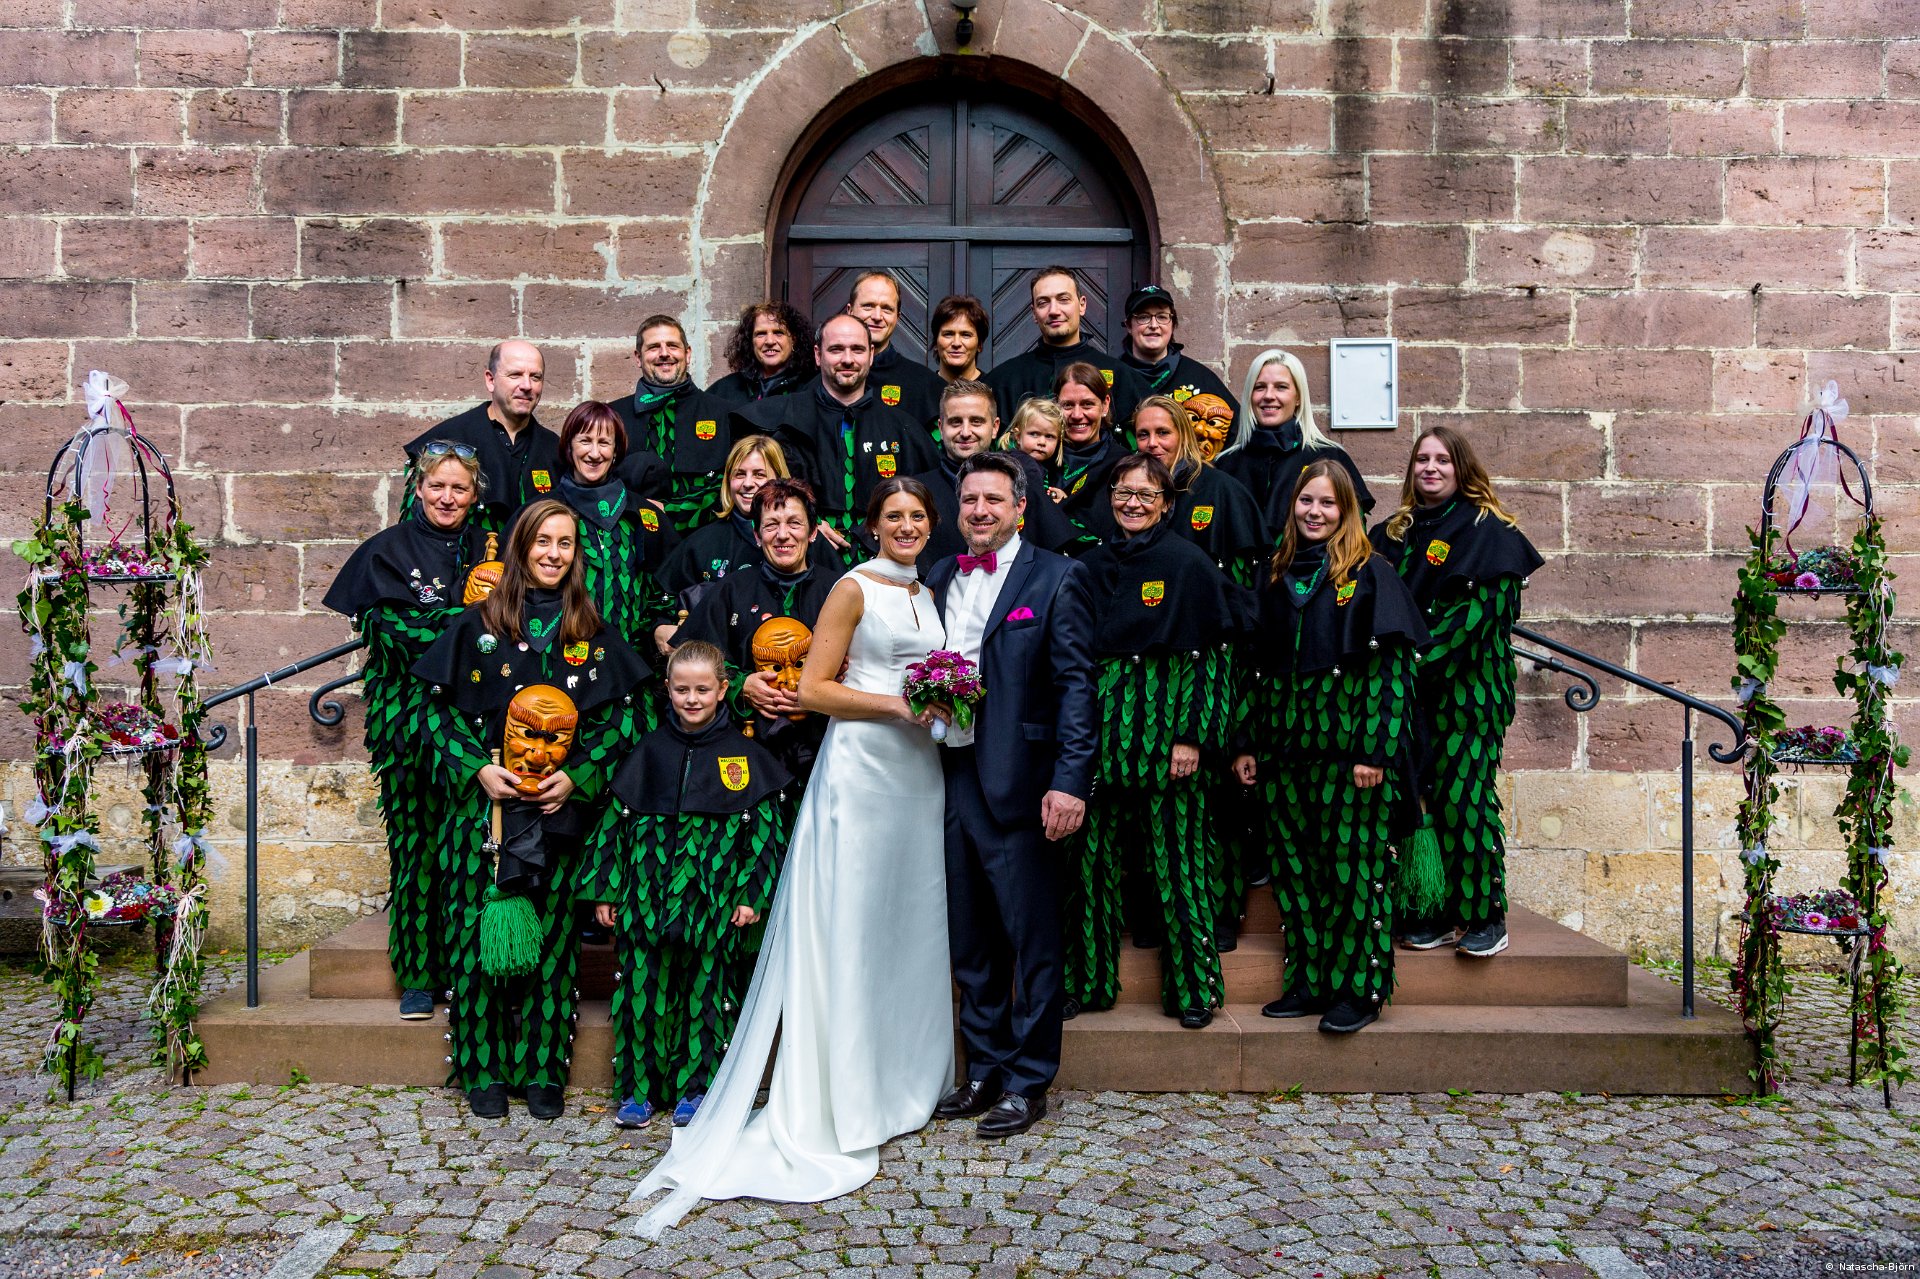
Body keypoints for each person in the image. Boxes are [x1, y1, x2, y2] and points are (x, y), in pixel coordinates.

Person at [631, 478, 953, 1234]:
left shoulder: (927, 590)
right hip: (864, 767)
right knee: (853, 925)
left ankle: (903, 1080)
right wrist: (900, 704)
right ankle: (845, 1095)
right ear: (870, 525)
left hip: (918, 773)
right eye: (893, 516)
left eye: (917, 516)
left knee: (907, 924)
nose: (906, 526)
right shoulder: (851, 586)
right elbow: (813, 689)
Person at [411, 500, 650, 1118]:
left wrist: (578, 777)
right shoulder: (477, 626)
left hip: (556, 814)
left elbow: (624, 721)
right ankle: (482, 1068)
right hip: (485, 814)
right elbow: (431, 713)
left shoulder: (592, 634)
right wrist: (476, 769)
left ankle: (544, 1069)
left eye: (565, 543)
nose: (553, 553)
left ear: (577, 554)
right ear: (521, 546)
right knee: (477, 942)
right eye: (543, 540)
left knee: (554, 944)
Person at [923, 453, 1096, 1138]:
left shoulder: (1057, 576)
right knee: (971, 938)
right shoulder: (939, 574)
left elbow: (1076, 687)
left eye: (994, 499)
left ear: (1021, 507)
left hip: (1023, 782)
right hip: (948, 773)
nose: (980, 511)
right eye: (970, 500)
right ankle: (985, 1068)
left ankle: (1029, 1080)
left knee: (1031, 940)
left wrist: (1069, 781)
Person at [1234, 463, 1427, 1035]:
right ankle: (1309, 981)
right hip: (1283, 755)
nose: (1314, 512)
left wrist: (1375, 752)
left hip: (1350, 757)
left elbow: (1393, 674)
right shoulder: (1273, 574)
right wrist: (1245, 743)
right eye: (1306, 501)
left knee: (1353, 872)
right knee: (1295, 872)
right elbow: (1251, 668)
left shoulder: (1372, 574)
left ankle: (1359, 990)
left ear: (1347, 511)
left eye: (1327, 503)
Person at [1064, 453, 1248, 1028]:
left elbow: (1214, 662)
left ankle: (1194, 991)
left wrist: (1192, 737)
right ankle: (1087, 982)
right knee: (1089, 866)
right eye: (1124, 492)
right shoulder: (1089, 566)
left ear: (1167, 504)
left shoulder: (1189, 563)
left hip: (1169, 741)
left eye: (1146, 494)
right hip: (1102, 737)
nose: (1133, 503)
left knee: (1180, 867)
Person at [580, 641, 792, 1130]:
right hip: (646, 898)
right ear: (668, 689)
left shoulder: (746, 757)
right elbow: (614, 825)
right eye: (681, 690)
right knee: (641, 991)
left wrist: (751, 896)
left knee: (707, 994)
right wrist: (607, 890)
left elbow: (764, 836)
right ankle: (638, 1089)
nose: (691, 699)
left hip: (712, 902)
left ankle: (697, 1089)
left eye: (702, 689)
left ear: (722, 689)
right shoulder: (648, 751)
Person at [322, 443, 490, 1021]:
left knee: (468, 850)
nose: (447, 497)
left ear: (474, 495)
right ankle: (418, 973)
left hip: (472, 720)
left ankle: (466, 967)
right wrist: (469, 620)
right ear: (418, 489)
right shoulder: (386, 552)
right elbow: (398, 634)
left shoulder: (492, 549)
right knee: (415, 848)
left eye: (459, 488)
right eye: (437, 486)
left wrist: (468, 625)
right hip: (407, 720)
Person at [1371, 426, 1543, 958]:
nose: (1430, 468)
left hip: (1466, 693)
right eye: (1422, 459)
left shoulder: (1492, 532)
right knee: (1415, 799)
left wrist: (1410, 664)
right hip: (1405, 693)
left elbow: (1475, 622)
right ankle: (1435, 909)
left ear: (1461, 467)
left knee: (1462, 797)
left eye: (1442, 460)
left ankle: (1484, 914)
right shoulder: (1392, 533)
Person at [674, 477, 838, 787]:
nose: (783, 534)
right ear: (757, 535)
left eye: (794, 523)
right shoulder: (730, 591)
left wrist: (820, 693)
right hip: (746, 751)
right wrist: (740, 685)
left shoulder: (840, 591)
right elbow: (689, 661)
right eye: (771, 525)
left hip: (828, 748)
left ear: (813, 532)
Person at [731, 313, 938, 547]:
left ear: (871, 355)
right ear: (818, 355)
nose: (847, 359)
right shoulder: (780, 419)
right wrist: (804, 523)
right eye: (836, 349)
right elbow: (748, 492)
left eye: (857, 350)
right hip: (804, 554)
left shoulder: (903, 427)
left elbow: (929, 503)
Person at [1084, 396, 1269, 587]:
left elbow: (1250, 577)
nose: (1152, 443)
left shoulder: (1222, 490)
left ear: (1183, 435)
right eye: (1143, 435)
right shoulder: (1127, 494)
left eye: (1163, 433)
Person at [553, 400, 680, 664]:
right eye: (585, 441)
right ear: (569, 446)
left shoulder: (644, 514)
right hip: (562, 658)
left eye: (604, 443)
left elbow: (673, 580)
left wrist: (659, 624)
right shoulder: (543, 512)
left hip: (635, 661)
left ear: (616, 451)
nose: (594, 453)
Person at [908, 380, 1083, 564]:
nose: (965, 432)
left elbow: (1056, 558)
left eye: (976, 422)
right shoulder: (916, 493)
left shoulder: (1023, 480)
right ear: (941, 428)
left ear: (995, 427)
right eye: (955, 422)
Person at [404, 340, 559, 534]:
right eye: (515, 375)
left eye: (535, 377)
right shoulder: (447, 440)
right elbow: (414, 535)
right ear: (490, 380)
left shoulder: (555, 449)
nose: (527, 385)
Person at [1215, 348, 1373, 531]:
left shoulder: (1330, 456)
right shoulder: (1227, 463)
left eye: (1281, 387)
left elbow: (1353, 535)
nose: (1268, 396)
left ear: (1298, 397)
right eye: (1259, 387)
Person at [609, 315, 739, 531]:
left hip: (702, 540)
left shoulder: (724, 414)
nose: (664, 353)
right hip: (630, 539)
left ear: (687, 354)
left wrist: (669, 511)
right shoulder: (612, 417)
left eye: (672, 345)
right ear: (638, 357)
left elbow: (733, 486)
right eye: (653, 347)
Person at [983, 265, 1146, 429]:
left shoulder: (1120, 375)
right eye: (1043, 303)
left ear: (1082, 305)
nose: (1054, 311)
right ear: (1034, 313)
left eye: (1063, 299)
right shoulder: (1005, 379)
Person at [659, 435, 794, 600]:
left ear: (780, 479)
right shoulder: (703, 543)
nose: (747, 483)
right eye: (740, 474)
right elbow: (663, 599)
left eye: (759, 474)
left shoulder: (800, 538)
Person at [847, 270, 947, 430]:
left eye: (887, 308)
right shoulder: (825, 379)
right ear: (850, 311)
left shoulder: (925, 385)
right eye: (868, 306)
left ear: (897, 317)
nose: (877, 316)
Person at [1118, 285, 1239, 416]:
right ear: (1129, 325)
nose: (1153, 325)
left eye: (1162, 317)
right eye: (1143, 317)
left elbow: (1237, 423)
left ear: (1173, 324)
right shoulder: (1115, 376)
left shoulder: (1200, 377)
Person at [1052, 361, 1129, 521]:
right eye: (1067, 405)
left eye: (1087, 404)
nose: (1077, 415)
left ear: (1105, 405)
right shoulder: (1041, 457)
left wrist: (1065, 504)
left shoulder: (1124, 465)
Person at [706, 300, 816, 406]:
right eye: (761, 334)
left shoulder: (810, 388)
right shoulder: (726, 389)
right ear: (750, 341)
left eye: (778, 333)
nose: (770, 341)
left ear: (793, 340)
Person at [1004, 397, 1065, 487]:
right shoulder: (1020, 466)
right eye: (1034, 434)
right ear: (1018, 436)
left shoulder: (1051, 470)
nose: (1042, 442)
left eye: (1049, 436)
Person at [931, 293, 989, 384]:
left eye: (966, 335)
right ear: (935, 342)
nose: (956, 343)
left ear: (980, 344)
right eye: (948, 334)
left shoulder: (993, 390)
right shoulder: (924, 389)